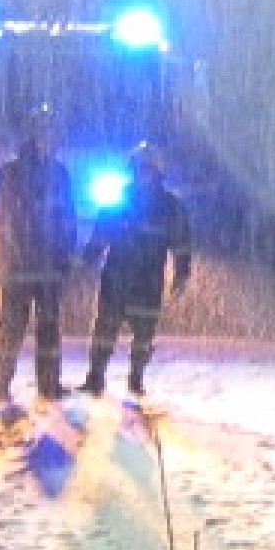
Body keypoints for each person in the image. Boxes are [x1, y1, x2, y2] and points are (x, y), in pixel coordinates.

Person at [80, 141, 192, 395]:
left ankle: (136, 378)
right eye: (139, 168)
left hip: (148, 281)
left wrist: (182, 273)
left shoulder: (172, 207)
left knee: (144, 335)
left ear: (158, 171)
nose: (143, 173)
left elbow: (182, 243)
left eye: (148, 168)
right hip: (116, 279)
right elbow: (100, 235)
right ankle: (95, 378)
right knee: (105, 331)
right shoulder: (118, 202)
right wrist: (86, 261)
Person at [0, 105, 78, 402]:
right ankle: (0, 384)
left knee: (48, 327)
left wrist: (66, 256)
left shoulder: (60, 174)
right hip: (19, 263)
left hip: (48, 265)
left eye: (52, 133)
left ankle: (49, 384)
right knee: (12, 325)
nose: (49, 138)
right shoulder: (11, 173)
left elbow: (68, 219)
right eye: (44, 132)